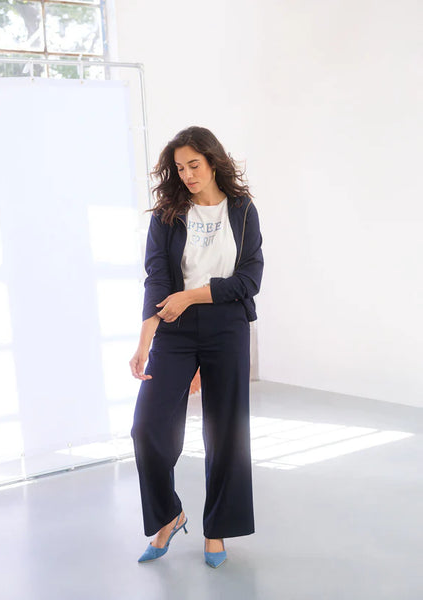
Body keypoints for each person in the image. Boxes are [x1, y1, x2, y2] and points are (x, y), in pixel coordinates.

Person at [129, 125, 264, 568]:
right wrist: (145, 340)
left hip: (227, 326)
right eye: (180, 168)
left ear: (212, 162)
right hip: (175, 327)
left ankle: (217, 530)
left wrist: (192, 296)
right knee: (147, 427)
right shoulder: (167, 215)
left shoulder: (242, 210)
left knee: (225, 432)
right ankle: (169, 515)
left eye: (194, 165)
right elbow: (157, 277)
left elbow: (249, 280)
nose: (187, 175)